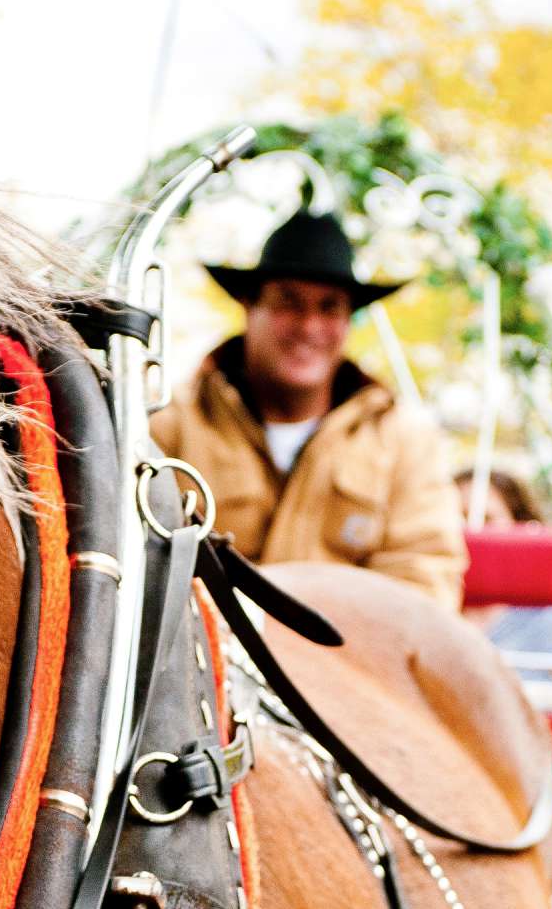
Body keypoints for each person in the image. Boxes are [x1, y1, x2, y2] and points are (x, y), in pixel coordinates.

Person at [151, 210, 468, 610]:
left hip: (347, 664)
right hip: (200, 664)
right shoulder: (170, 421)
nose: (309, 326)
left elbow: (425, 581)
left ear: (349, 320)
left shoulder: (403, 438)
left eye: (330, 307)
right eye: (289, 302)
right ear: (250, 306)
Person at [453, 464, 552, 670]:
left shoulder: (550, 625)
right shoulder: (423, 609)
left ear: (520, 526)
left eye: (486, 519)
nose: (470, 531)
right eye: (456, 518)